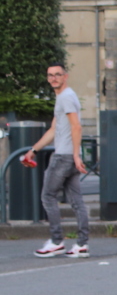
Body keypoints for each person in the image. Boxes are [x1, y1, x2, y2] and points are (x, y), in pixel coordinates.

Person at [23, 63, 90, 258]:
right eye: (50, 75)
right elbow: (54, 129)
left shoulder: (66, 97)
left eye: (57, 75)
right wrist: (33, 150)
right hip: (68, 156)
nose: (53, 78)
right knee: (77, 201)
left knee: (48, 196)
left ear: (65, 77)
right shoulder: (63, 97)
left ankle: (56, 241)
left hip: (63, 156)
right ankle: (82, 244)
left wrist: (76, 155)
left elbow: (76, 127)